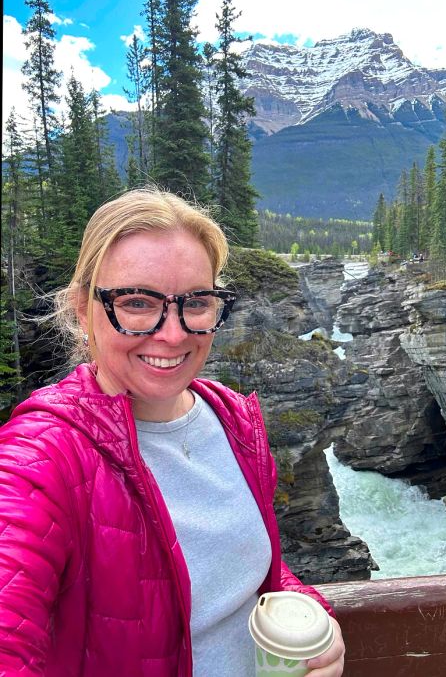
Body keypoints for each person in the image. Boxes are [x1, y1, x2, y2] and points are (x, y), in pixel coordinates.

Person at [0, 187, 345, 677]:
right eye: (137, 302)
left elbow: (249, 574)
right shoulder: (40, 458)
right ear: (82, 310)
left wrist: (308, 618)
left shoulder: (233, 419)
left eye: (197, 303)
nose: (174, 333)